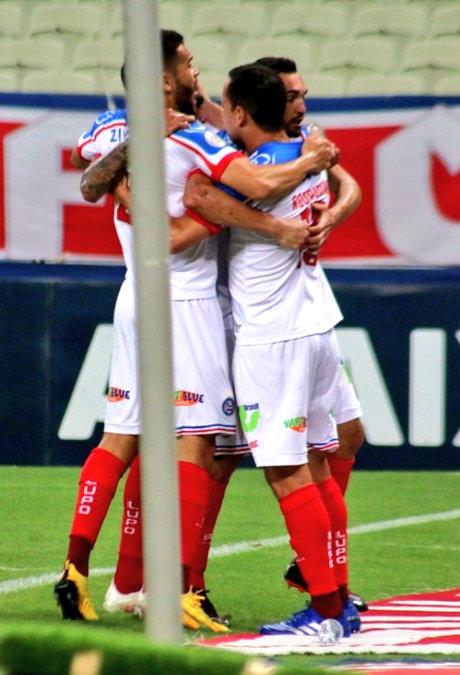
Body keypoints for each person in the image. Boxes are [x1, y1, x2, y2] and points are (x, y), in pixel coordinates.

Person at [55, 30, 337, 632]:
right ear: (164, 78)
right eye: (186, 62)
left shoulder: (109, 128)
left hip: (132, 295)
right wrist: (310, 163)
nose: (195, 67)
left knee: (122, 438)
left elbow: (90, 179)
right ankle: (183, 586)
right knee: (200, 444)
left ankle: (82, 573)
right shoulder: (199, 136)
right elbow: (251, 188)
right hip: (187, 302)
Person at [186, 56, 368, 609]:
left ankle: (326, 599)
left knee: (299, 464)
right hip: (269, 322)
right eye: (294, 96)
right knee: (280, 456)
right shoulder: (296, 156)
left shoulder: (280, 158)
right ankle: (318, 588)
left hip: (279, 330)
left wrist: (326, 218)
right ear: (274, 102)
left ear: (242, 111)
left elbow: (199, 195)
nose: (303, 106)